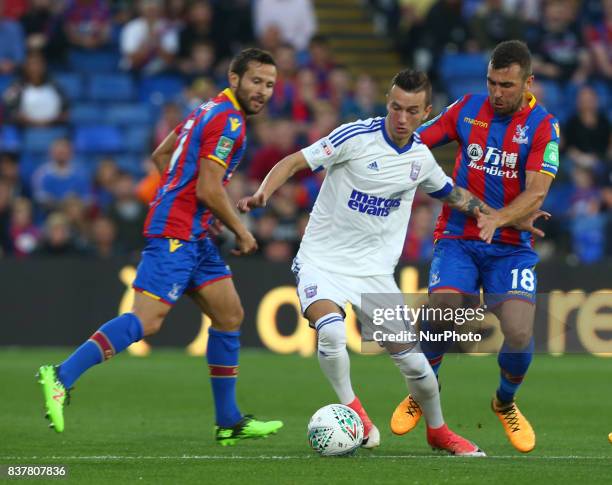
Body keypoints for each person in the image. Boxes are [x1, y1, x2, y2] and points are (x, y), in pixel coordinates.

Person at [238, 69, 527, 456]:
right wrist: (262, 194)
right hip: (321, 262)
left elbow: (453, 193)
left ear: (426, 113)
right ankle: (356, 411)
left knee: (418, 370)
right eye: (395, 107)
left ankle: (438, 432)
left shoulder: (420, 160)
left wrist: (500, 215)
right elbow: (293, 162)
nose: (401, 118)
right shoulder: (355, 136)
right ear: (387, 103)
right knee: (332, 332)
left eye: (411, 110)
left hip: (373, 275)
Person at [37, 48, 284, 446]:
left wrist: (187, 198)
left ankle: (229, 421)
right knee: (148, 321)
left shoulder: (207, 108)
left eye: (270, 85)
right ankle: (61, 375)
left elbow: (162, 155)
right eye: (256, 81)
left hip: (194, 230)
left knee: (229, 313)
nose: (263, 91)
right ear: (234, 78)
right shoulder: (230, 121)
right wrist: (241, 229)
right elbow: (207, 186)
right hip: (177, 232)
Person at [390, 40, 559, 454]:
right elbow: (417, 140)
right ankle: (423, 389)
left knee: (519, 332)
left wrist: (498, 218)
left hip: (511, 247)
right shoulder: (466, 108)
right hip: (459, 237)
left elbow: (537, 193)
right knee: (444, 309)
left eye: (506, 84)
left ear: (527, 82)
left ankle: (504, 402)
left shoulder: (543, 126)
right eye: (491, 82)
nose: (496, 92)